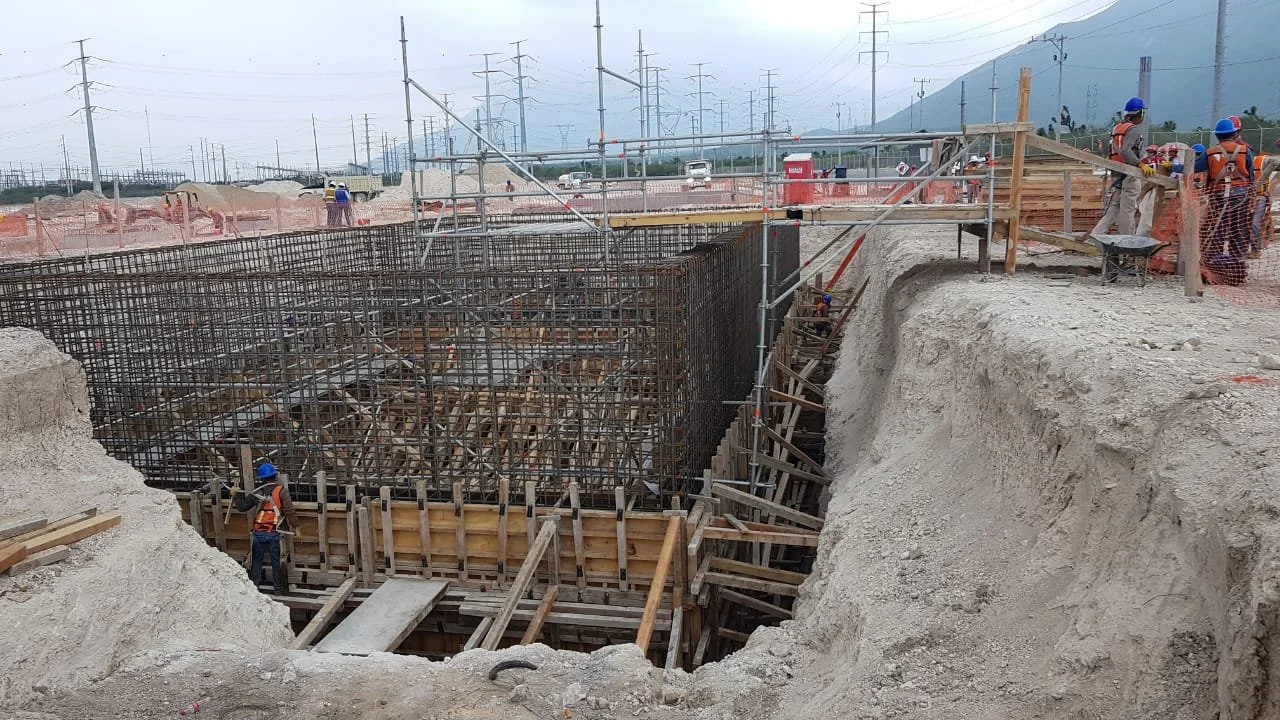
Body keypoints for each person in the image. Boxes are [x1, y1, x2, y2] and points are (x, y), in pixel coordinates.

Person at [1195, 118, 1256, 284]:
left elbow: (1194, 167)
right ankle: (1237, 268)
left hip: (1218, 195)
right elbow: (1251, 176)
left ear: (1217, 135)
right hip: (1242, 195)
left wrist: (1173, 167)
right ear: (1234, 134)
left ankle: (1214, 267)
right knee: (1239, 231)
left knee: (1217, 231)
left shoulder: (1209, 153)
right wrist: (1252, 195)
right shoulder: (1245, 150)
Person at [1089, 96, 1149, 238]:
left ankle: (1097, 234)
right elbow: (1126, 150)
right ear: (1140, 113)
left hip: (1117, 171)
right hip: (1129, 173)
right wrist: (1140, 164)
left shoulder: (1117, 128)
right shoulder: (1133, 129)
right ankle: (1127, 240)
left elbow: (1114, 150)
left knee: (1114, 207)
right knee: (1128, 209)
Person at [249, 462, 300, 595]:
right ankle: (278, 589)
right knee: (276, 562)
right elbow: (289, 510)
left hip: (258, 533)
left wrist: (235, 494)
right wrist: (295, 527)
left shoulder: (257, 492)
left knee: (256, 561)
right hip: (273, 532)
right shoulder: (281, 491)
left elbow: (242, 506)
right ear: (274, 476)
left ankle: (254, 588)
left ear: (261, 478)